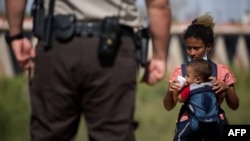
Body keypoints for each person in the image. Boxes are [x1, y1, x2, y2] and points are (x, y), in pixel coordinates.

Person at [5, 0, 171, 141]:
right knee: (113, 134)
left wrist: (15, 34)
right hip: (114, 48)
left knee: (49, 133)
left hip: (56, 45)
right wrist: (159, 55)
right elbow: (158, 4)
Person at [163, 13, 239, 141]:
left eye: (197, 48)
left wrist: (226, 88)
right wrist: (170, 91)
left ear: (208, 46)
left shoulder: (221, 71)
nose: (192, 53)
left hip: (215, 125)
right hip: (189, 126)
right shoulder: (180, 72)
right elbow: (168, 106)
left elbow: (235, 105)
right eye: (188, 48)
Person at [177, 59, 221, 141]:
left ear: (197, 80)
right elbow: (220, 97)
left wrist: (179, 87)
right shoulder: (213, 84)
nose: (186, 77)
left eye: (188, 76)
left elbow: (180, 99)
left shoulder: (190, 88)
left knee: (180, 137)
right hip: (214, 124)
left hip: (197, 124)